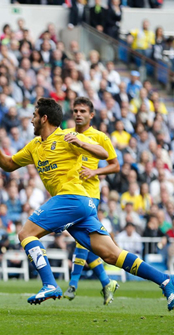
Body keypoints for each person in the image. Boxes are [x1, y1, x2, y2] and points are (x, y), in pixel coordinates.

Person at [0, 98, 174, 310]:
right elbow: (9, 165)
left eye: (34, 116)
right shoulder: (34, 146)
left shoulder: (66, 137)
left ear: (44, 118)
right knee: (111, 254)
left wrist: (80, 142)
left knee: (25, 234)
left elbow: (104, 154)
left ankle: (49, 284)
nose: (31, 120)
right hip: (79, 205)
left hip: (72, 198)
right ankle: (166, 280)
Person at [62, 97, 121, 304]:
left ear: (91, 115)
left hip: (90, 194)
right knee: (87, 242)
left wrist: (95, 171)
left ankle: (73, 285)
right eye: (75, 110)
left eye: (82, 111)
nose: (78, 114)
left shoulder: (99, 137)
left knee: (82, 240)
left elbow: (115, 165)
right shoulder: (67, 134)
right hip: (70, 193)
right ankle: (106, 282)